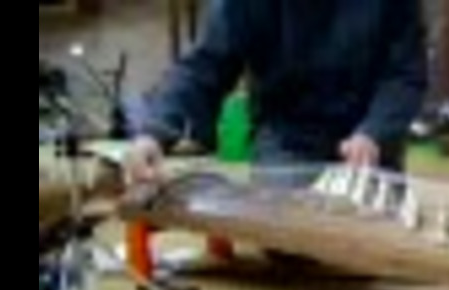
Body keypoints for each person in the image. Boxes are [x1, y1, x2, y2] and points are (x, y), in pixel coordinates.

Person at [126, 0, 429, 187]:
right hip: (289, 140)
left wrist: (375, 132)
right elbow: (205, 65)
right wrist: (155, 132)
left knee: (372, 235)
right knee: (294, 240)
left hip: (368, 143)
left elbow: (404, 74)